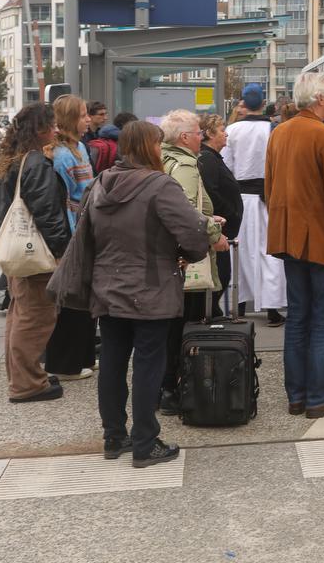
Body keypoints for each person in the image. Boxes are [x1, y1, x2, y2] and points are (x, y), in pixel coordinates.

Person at [89, 120, 219, 468]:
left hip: (108, 284)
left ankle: (114, 435)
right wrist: (191, 253)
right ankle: (146, 441)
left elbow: (86, 234)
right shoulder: (160, 185)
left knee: (113, 362)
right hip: (151, 284)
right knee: (149, 362)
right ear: (151, 147)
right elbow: (192, 230)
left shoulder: (102, 183)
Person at [266, 71, 324, 419]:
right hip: (322, 240)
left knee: (298, 319)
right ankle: (320, 397)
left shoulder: (279, 133)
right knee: (323, 320)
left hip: (289, 238)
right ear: (320, 98)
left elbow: (271, 187)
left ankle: (297, 395)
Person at [0, 102, 70, 403]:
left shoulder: (17, 159)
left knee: (20, 313)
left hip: (19, 253)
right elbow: (47, 213)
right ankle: (27, 384)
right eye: (51, 125)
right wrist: (62, 251)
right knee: (36, 316)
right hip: (36, 254)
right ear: (39, 129)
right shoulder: (36, 163)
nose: (56, 129)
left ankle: (23, 377)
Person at [158, 109, 226, 414]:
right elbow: (184, 210)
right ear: (184, 137)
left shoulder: (162, 157)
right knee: (186, 324)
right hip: (187, 258)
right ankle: (174, 387)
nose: (202, 136)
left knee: (169, 327)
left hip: (165, 256)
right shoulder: (185, 164)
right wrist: (213, 233)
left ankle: (164, 385)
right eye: (198, 132)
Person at [223, 84, 287, 324]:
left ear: (242, 103)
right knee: (270, 252)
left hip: (241, 199)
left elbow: (226, 167)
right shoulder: (274, 130)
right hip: (270, 198)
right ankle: (271, 308)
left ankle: (239, 304)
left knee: (241, 250)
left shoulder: (232, 130)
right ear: (263, 103)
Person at [45, 94, 97, 379]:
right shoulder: (64, 154)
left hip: (82, 227)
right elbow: (67, 197)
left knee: (82, 298)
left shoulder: (78, 148)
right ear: (69, 120)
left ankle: (82, 356)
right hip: (75, 230)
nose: (87, 119)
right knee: (72, 299)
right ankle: (67, 363)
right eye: (82, 114)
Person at [199, 113, 244, 317]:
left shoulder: (213, 158)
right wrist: (230, 211)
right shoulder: (207, 159)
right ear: (209, 133)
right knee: (220, 276)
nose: (226, 133)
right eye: (221, 130)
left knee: (222, 277)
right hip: (218, 230)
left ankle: (214, 316)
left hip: (224, 230)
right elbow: (210, 192)